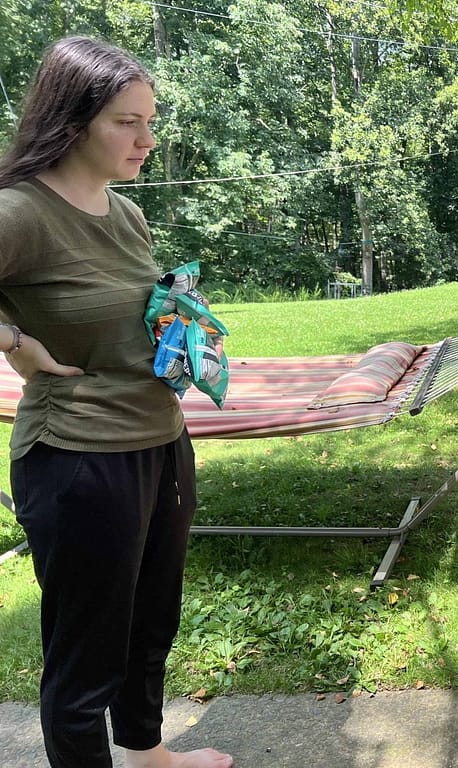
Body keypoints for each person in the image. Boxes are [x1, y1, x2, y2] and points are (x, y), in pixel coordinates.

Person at [0, 37, 233, 768]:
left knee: (148, 622)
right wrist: (11, 340)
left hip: (160, 442)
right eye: (127, 122)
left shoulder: (126, 215)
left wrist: (181, 332)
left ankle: (145, 752)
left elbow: (132, 309)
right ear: (72, 121)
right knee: (85, 658)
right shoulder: (20, 212)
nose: (147, 139)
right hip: (76, 458)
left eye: (150, 120)